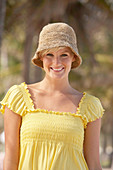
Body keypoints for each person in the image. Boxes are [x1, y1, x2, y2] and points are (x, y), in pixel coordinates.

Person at [0, 22, 105, 170]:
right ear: (41, 58)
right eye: (49, 54)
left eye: (64, 55)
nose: (57, 62)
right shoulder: (18, 98)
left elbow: (94, 164)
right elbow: (10, 161)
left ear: (73, 58)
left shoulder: (90, 106)